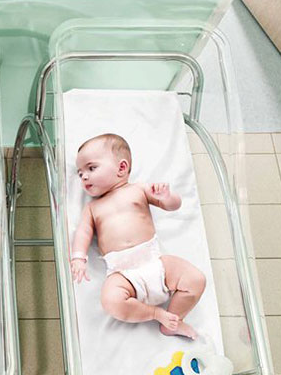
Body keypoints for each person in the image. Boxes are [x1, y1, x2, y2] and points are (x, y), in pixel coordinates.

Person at [70, 133, 205, 339]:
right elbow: (83, 232)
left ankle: (174, 321)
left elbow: (174, 206)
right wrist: (78, 258)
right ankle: (156, 314)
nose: (84, 177)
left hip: (156, 263)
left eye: (91, 168)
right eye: (80, 174)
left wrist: (167, 197)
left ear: (121, 168)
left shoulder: (138, 189)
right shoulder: (92, 208)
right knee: (111, 301)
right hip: (122, 274)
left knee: (196, 279)